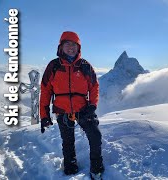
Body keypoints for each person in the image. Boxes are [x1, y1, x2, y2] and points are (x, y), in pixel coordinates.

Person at [39, 31, 104, 179]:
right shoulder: (53, 66)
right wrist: (44, 115)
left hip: (83, 108)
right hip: (62, 109)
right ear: (60, 47)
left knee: (95, 136)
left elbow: (94, 86)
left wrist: (92, 105)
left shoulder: (85, 66)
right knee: (67, 141)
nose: (70, 47)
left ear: (78, 47)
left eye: (74, 44)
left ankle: (97, 167)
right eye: (67, 44)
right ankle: (70, 166)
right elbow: (45, 90)